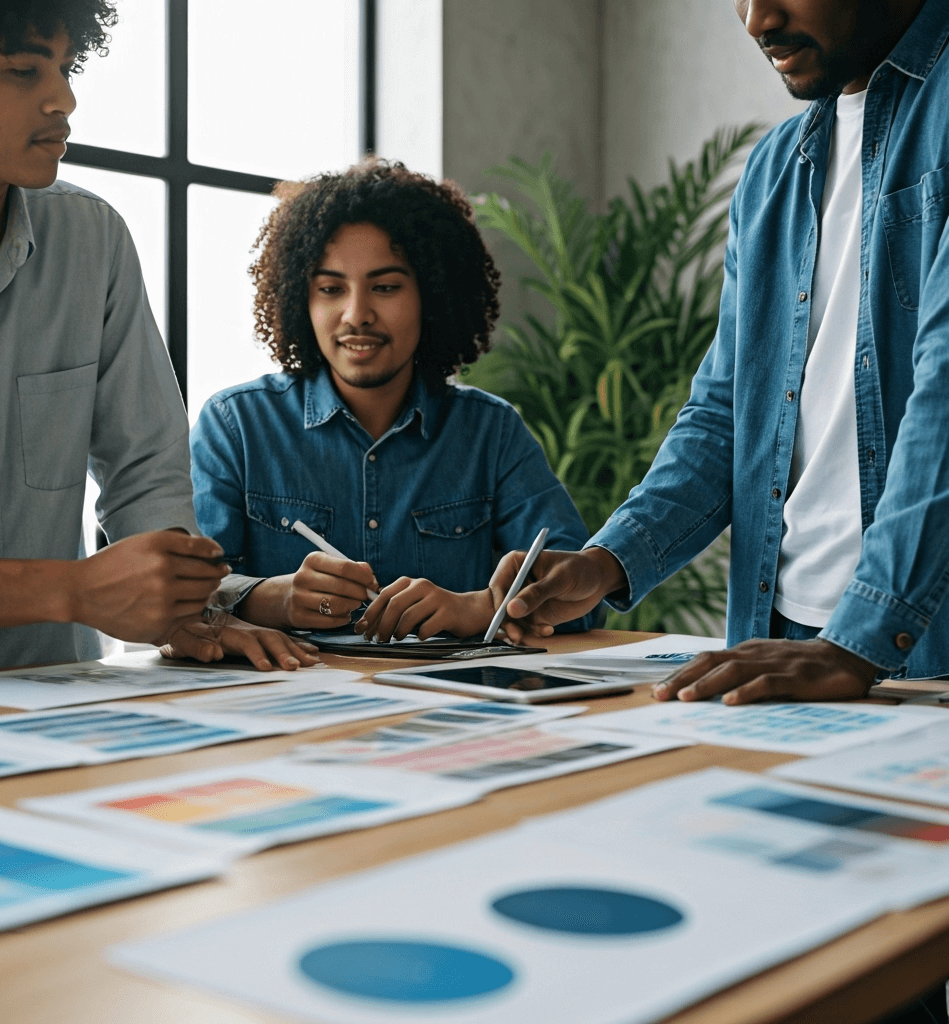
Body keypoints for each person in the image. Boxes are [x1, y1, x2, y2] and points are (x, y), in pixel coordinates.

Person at [493, 0, 949, 707]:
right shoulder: (773, 171)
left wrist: (859, 641)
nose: (756, 19)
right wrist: (606, 561)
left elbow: (945, 396)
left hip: (910, 638)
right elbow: (725, 412)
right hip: (787, 631)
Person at [0, 0, 316, 674]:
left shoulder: (91, 240)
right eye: (24, 71)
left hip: (55, 697)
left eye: (66, 67)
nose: (64, 99)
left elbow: (147, 474)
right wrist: (75, 590)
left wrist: (185, 608)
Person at [190, 160, 598, 643]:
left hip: (452, 708)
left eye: (385, 287)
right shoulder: (237, 426)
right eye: (330, 289)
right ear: (301, 299)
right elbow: (184, 596)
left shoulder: (492, 433)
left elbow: (580, 597)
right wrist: (272, 598)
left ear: (433, 295)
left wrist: (474, 609)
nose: (356, 314)